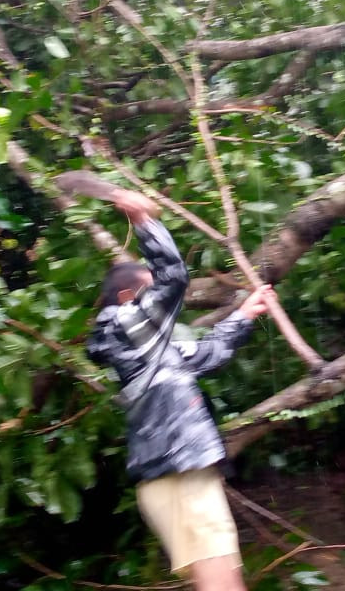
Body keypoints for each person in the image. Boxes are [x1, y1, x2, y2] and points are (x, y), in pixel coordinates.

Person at [87, 189, 275, 591]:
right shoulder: (126, 322)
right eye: (147, 289)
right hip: (182, 473)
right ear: (127, 298)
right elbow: (174, 277)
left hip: (173, 476)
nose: (159, 297)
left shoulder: (150, 349)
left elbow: (205, 354)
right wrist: (143, 221)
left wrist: (242, 315)